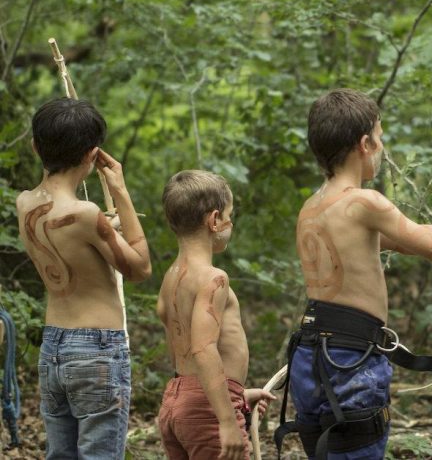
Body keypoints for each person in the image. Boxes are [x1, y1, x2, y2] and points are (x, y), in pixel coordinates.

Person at [274, 88, 432, 459]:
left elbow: (409, 241)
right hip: (349, 360)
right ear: (364, 143)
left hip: (313, 357)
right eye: (381, 137)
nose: (382, 146)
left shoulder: (314, 206)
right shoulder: (364, 201)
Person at [16, 98, 152, 459]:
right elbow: (140, 269)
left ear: (34, 147)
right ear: (93, 155)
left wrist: (108, 230)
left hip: (54, 345)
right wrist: (120, 191)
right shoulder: (86, 214)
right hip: (96, 349)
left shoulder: (24, 203)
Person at [157, 170, 275, 460]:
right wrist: (225, 420)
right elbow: (202, 349)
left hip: (178, 401)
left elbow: (183, 357)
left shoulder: (171, 277)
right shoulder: (213, 278)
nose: (230, 223)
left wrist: (237, 395)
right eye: (229, 215)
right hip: (206, 412)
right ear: (214, 220)